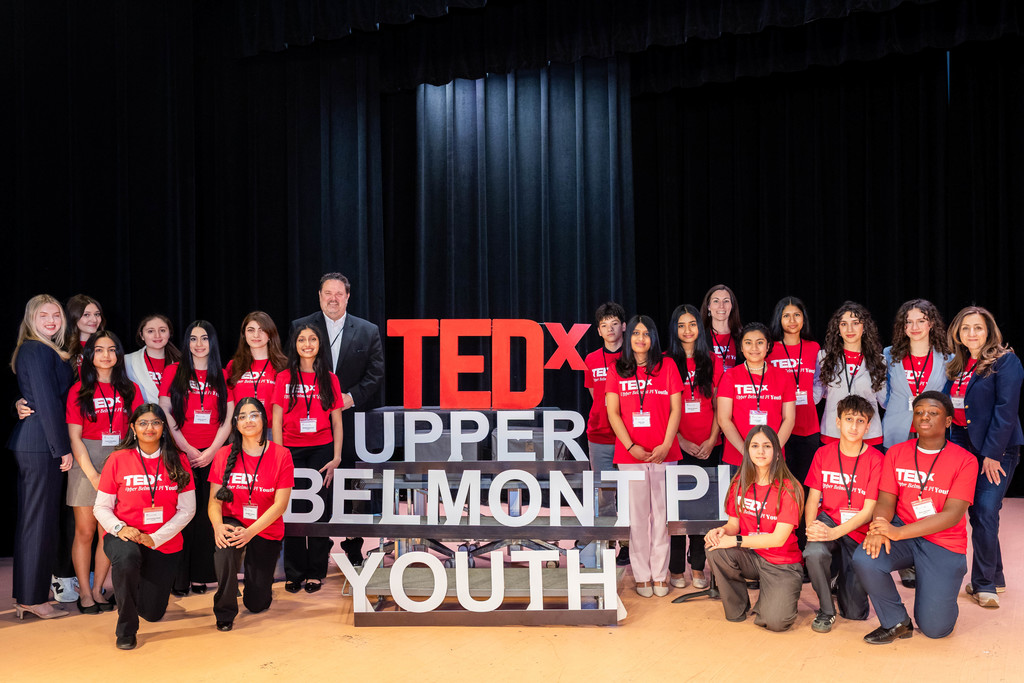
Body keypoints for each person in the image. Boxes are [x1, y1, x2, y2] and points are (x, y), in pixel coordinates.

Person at [852, 392, 978, 643]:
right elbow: (887, 500)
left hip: (942, 541)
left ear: (948, 421)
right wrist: (880, 527)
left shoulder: (965, 460)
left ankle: (938, 588)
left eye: (933, 413)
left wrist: (896, 533)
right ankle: (896, 621)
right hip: (903, 530)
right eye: (919, 412)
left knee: (935, 630)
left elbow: (952, 515)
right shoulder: (897, 453)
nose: (924, 417)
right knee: (866, 557)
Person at [292, 272, 384, 567]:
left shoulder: (368, 331)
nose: (333, 299)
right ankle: (309, 552)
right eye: (327, 293)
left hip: (352, 421)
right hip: (310, 427)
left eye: (338, 294)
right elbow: (291, 370)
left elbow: (376, 373)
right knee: (311, 485)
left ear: (347, 297)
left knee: (352, 486)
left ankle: (353, 546)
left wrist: (349, 397)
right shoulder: (300, 327)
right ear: (319, 296)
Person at [94, 404, 195, 650]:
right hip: (126, 535)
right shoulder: (118, 459)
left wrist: (156, 538)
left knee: (152, 613)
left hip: (162, 541)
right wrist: (120, 528)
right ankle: (126, 629)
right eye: (143, 423)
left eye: (156, 423)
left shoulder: (178, 459)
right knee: (127, 558)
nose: (149, 428)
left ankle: (134, 588)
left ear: (163, 427)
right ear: (133, 428)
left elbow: (188, 509)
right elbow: (101, 507)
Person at [944, 306, 1023, 608]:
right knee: (977, 513)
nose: (972, 334)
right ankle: (997, 575)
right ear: (958, 333)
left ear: (989, 331)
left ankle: (984, 584)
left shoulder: (1005, 362)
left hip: (997, 449)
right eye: (965, 328)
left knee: (987, 510)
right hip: (963, 445)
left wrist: (992, 454)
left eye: (978, 327)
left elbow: (1006, 411)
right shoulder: (958, 365)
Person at [65, 331, 144, 613]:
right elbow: (74, 437)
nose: (106, 355)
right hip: (85, 460)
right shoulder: (78, 390)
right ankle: (84, 593)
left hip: (119, 459)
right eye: (99, 350)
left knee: (106, 532)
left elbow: (136, 431)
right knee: (85, 531)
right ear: (90, 356)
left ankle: (99, 589)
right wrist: (94, 475)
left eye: (112, 349)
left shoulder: (130, 389)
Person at [8, 295, 75, 619]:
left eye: (56, 315)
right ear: (30, 319)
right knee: (38, 522)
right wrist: (61, 447)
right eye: (43, 315)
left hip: (36, 442)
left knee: (37, 521)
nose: (51, 320)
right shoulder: (35, 349)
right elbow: (47, 403)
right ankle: (31, 598)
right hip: (40, 445)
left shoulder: (43, 350)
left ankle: (30, 591)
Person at [606, 315, 682, 598]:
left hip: (665, 453)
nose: (640, 338)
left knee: (662, 516)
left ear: (654, 338)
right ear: (629, 338)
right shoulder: (617, 369)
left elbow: (676, 409)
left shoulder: (668, 366)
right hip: (630, 455)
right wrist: (629, 446)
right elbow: (613, 412)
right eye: (636, 333)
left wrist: (665, 444)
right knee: (637, 518)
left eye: (646, 333)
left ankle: (660, 574)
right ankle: (641, 574)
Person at [159, 320, 234, 595]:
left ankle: (201, 575)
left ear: (212, 343)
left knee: (205, 515)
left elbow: (228, 417)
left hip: (212, 456)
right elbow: (165, 411)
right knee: (180, 515)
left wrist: (212, 451)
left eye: (204, 339)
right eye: (193, 338)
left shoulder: (222, 374)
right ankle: (179, 578)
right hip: (181, 455)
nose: (198, 344)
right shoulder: (173, 371)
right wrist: (187, 448)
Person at [704, 426, 805, 631]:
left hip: (781, 563)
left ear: (777, 451)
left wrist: (737, 540)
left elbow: (778, 539)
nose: (760, 451)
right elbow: (734, 525)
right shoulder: (739, 483)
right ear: (747, 450)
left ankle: (770, 599)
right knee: (714, 547)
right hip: (751, 556)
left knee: (776, 623)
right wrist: (722, 531)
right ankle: (738, 608)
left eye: (767, 446)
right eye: (755, 446)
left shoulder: (789, 487)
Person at [209, 398, 294, 631]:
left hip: (265, 525)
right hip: (233, 520)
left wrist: (250, 532)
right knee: (224, 548)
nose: (248, 420)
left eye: (254, 415)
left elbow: (280, 505)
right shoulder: (223, 454)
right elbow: (214, 503)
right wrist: (218, 526)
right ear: (235, 423)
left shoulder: (281, 454)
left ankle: (257, 587)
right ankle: (224, 611)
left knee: (257, 603)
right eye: (242, 416)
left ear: (264, 420)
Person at [802, 395, 884, 633]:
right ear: (837, 422)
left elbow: (869, 510)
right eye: (849, 419)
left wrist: (833, 533)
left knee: (856, 613)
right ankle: (826, 610)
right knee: (814, 551)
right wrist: (811, 529)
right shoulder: (823, 454)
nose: (854, 426)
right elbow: (813, 499)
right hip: (829, 518)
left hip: (859, 526)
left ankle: (839, 578)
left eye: (860, 421)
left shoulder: (876, 460)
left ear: (868, 426)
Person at [272, 324, 343, 593]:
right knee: (291, 510)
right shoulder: (284, 378)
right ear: (295, 345)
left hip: (322, 450)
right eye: (302, 339)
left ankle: (315, 571)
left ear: (320, 344)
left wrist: (336, 457)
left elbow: (337, 422)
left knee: (319, 511)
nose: (307, 344)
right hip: (290, 450)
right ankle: (294, 571)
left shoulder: (330, 379)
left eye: (313, 339)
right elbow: (276, 420)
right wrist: (279, 457)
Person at [666, 303, 723, 590]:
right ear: (674, 330)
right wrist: (681, 441)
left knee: (703, 511)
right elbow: (663, 410)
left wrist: (712, 439)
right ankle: (676, 567)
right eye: (681, 325)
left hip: (709, 446)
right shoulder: (664, 362)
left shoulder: (713, 361)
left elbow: (720, 407)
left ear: (700, 329)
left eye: (692, 324)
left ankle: (698, 565)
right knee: (677, 510)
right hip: (677, 446)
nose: (687, 330)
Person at [583, 302, 629, 565]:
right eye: (604, 325)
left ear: (623, 326)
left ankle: (626, 543)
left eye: (614, 324)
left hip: (628, 438)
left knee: (628, 492)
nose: (610, 329)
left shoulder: (633, 356)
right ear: (599, 331)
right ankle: (607, 540)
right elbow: (595, 396)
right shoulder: (591, 359)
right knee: (605, 492)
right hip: (599, 434)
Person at [717, 322, 796, 470]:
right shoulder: (730, 376)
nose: (754, 348)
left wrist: (773, 449)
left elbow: (789, 419)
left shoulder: (783, 376)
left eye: (760, 342)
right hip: (737, 457)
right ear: (741, 347)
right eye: (748, 343)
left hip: (773, 457)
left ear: (767, 346)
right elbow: (723, 419)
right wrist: (746, 453)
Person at [815, 302, 887, 448]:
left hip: (869, 434)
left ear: (864, 327)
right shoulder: (824, 358)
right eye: (843, 324)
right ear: (837, 329)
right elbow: (816, 395)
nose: (850, 329)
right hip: (833, 433)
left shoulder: (879, 360)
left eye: (855, 323)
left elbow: (884, 401)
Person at [882, 299, 951, 449]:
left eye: (921, 321)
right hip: (896, 428)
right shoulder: (888, 354)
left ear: (931, 323)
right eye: (909, 322)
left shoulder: (947, 358)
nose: (915, 327)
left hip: (932, 429)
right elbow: (883, 391)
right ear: (903, 326)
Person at [767, 296, 820, 486]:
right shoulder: (770, 349)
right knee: (782, 482)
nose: (792, 320)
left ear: (803, 318)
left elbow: (820, 381)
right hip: (779, 426)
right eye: (786, 316)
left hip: (809, 425)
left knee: (806, 482)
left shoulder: (813, 348)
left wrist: (813, 397)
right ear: (778, 320)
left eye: (797, 315)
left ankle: (806, 517)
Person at [226, 311, 287, 408]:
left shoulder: (283, 365)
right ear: (244, 334)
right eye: (251, 330)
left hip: (272, 423)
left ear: (270, 334)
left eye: (261, 330)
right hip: (241, 422)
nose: (256, 335)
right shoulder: (233, 365)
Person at [125, 314, 181, 403]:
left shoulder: (181, 362)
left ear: (169, 333)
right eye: (150, 331)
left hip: (174, 416)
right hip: (142, 415)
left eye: (162, 330)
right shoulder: (127, 361)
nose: (157, 335)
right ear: (142, 335)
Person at [699, 284, 741, 371]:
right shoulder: (699, 337)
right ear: (708, 306)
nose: (721, 306)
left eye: (726, 301)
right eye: (716, 301)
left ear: (732, 306)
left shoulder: (742, 337)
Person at [64, 294, 104, 370]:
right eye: (86, 315)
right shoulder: (62, 348)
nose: (94, 320)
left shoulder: (105, 345)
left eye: (97, 314)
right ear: (73, 317)